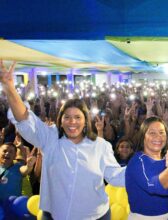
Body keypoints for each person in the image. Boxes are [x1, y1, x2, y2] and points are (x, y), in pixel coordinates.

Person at [0, 60, 126, 220]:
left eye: (77, 117)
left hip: (94, 216)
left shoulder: (100, 145)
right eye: (67, 117)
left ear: (86, 120)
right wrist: (9, 86)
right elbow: (24, 119)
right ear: (60, 119)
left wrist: (150, 171)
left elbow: (115, 175)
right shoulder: (50, 137)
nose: (72, 122)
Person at [125, 116, 168, 220]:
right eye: (152, 133)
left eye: (162, 132)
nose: (158, 137)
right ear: (143, 136)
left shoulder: (167, 159)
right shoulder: (137, 161)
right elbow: (153, 186)